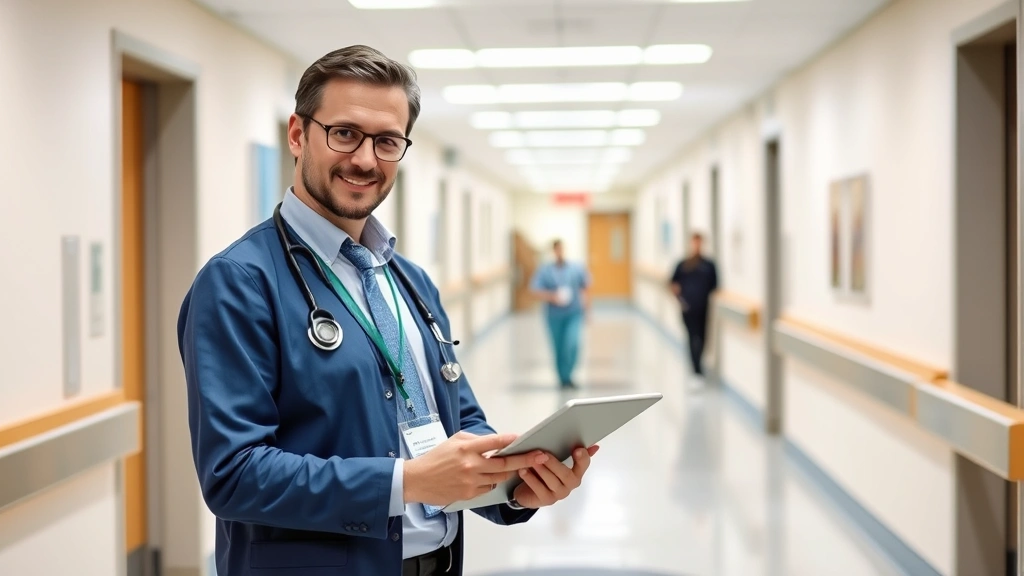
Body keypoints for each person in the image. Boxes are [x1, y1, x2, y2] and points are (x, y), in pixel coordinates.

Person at [177, 45, 599, 576]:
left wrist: (516, 486)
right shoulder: (240, 282)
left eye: (387, 141)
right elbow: (233, 474)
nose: (364, 159)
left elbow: (459, 423)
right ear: (297, 134)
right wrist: (405, 483)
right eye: (344, 133)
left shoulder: (410, 281)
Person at [529, 239, 591, 388]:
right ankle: (563, 379)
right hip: (554, 315)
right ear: (553, 251)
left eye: (562, 249)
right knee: (558, 347)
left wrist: (587, 309)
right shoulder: (545, 270)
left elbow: (585, 287)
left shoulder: (575, 268)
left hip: (574, 313)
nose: (560, 252)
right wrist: (552, 297)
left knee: (572, 344)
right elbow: (534, 290)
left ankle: (569, 374)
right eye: (557, 250)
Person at [669, 232, 718, 376]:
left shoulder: (709, 265)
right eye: (695, 242)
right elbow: (672, 283)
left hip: (703, 308)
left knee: (702, 337)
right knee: (692, 336)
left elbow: (715, 286)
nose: (697, 246)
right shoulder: (683, 265)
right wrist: (679, 299)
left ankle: (698, 364)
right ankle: (696, 369)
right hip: (687, 308)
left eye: (699, 242)